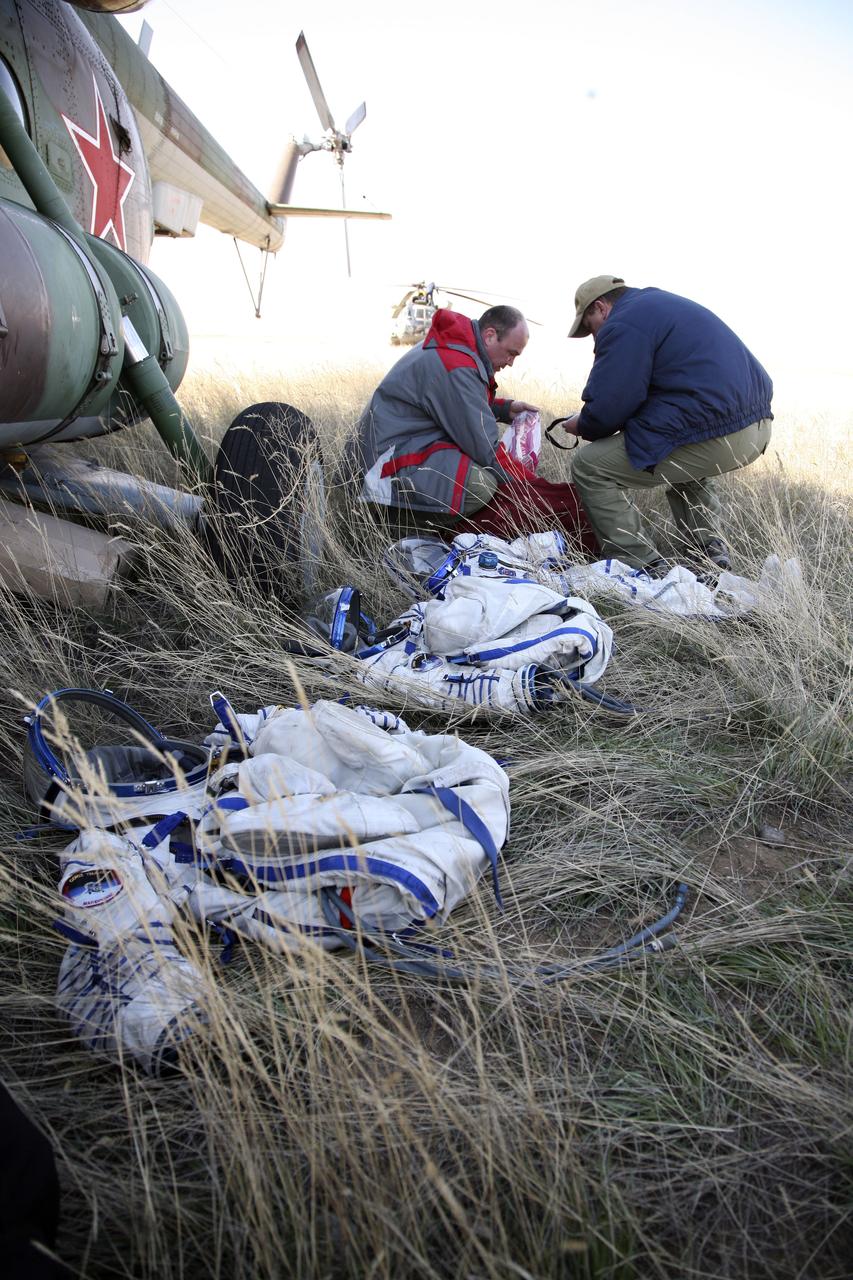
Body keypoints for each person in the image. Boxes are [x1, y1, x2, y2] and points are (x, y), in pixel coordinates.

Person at [561, 275, 773, 574]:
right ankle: (708, 553)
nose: (593, 336)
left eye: (589, 326)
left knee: (589, 466)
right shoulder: (657, 306)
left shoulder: (624, 323)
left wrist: (583, 423)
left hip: (720, 429)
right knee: (680, 454)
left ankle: (640, 568)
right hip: (756, 427)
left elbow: (609, 409)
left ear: (601, 307)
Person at [346, 304, 598, 555]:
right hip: (383, 469)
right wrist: (535, 489)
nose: (510, 363)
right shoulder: (456, 364)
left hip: (398, 451)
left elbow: (451, 403)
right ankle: (409, 532)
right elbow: (486, 449)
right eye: (511, 353)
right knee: (479, 484)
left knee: (481, 476)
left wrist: (503, 409)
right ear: (489, 335)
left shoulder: (454, 349)